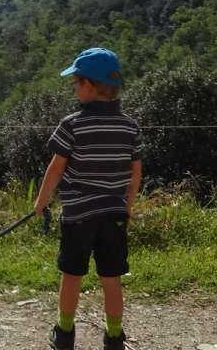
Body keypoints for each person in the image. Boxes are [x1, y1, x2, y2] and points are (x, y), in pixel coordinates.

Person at [33, 47, 142, 350]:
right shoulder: (130, 127)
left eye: (76, 82)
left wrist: (41, 202)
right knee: (112, 278)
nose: (74, 88)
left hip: (78, 214)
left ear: (90, 86)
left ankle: (65, 333)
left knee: (72, 275)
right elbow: (136, 173)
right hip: (114, 215)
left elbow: (56, 168)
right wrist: (127, 206)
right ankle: (114, 337)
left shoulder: (72, 124)